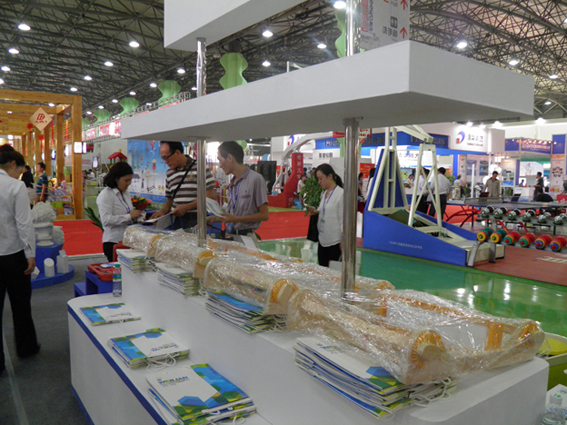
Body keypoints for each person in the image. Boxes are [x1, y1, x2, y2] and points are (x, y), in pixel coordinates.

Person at [0, 145, 40, 374]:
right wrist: (30, 254)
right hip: (13, 255)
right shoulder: (15, 186)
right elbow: (24, 223)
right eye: (20, 171)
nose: (20, 175)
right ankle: (26, 347)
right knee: (21, 305)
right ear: (13, 164)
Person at [207, 141, 269, 236]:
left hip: (246, 237)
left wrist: (237, 219)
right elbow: (232, 215)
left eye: (220, 160)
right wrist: (214, 219)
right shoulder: (232, 183)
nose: (220, 165)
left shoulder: (255, 179)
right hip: (231, 235)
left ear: (230, 158)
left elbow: (264, 215)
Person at [151, 141, 215, 230]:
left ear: (177, 153)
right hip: (175, 221)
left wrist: (187, 207)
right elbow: (170, 200)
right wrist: (161, 212)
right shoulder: (169, 173)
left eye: (167, 157)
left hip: (196, 220)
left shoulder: (200, 167)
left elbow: (210, 197)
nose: (165, 162)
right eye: (163, 158)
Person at [96, 162, 144, 262]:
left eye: (130, 180)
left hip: (127, 240)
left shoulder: (125, 193)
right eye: (126, 180)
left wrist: (138, 217)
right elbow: (105, 220)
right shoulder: (106, 195)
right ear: (116, 179)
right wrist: (129, 216)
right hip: (113, 242)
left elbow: (128, 213)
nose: (129, 183)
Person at [306, 164, 344, 267]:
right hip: (322, 240)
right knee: (323, 271)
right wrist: (316, 211)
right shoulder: (324, 194)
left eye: (321, 179)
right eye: (318, 179)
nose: (319, 182)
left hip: (335, 242)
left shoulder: (341, 194)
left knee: (334, 273)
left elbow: (343, 220)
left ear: (330, 176)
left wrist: (343, 240)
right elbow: (324, 210)